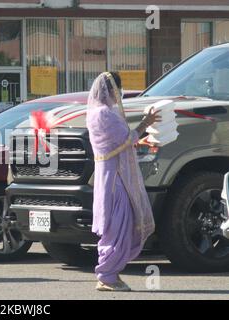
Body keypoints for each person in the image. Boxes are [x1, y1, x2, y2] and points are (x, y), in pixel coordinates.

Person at [86, 72, 160, 291]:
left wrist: (138, 139)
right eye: (119, 90)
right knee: (119, 224)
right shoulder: (105, 114)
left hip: (109, 175)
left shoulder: (96, 113)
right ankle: (107, 275)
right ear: (111, 90)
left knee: (114, 224)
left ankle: (108, 274)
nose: (120, 95)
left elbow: (120, 142)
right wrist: (146, 123)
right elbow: (126, 138)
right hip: (116, 178)